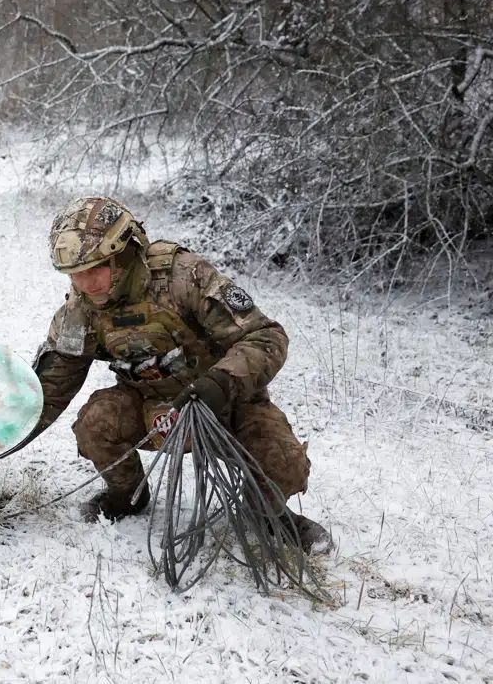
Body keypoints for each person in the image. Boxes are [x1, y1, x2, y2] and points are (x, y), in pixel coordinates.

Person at [29, 195, 332, 553]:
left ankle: (270, 515)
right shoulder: (80, 310)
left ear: (123, 255)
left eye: (95, 269)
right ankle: (127, 496)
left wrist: (220, 383)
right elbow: (51, 386)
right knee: (96, 423)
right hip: (151, 408)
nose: (85, 284)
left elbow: (266, 336)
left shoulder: (184, 277)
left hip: (223, 402)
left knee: (284, 463)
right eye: (75, 275)